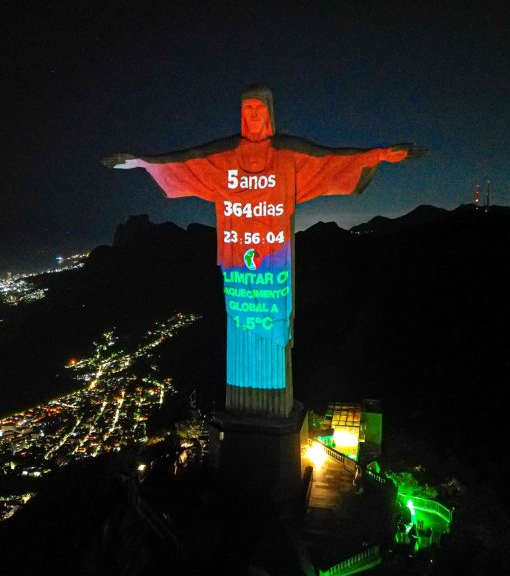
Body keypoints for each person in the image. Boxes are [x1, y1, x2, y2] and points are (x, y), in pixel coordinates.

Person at [103, 85, 425, 418]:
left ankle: (272, 405)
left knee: (274, 331)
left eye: (259, 109)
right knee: (240, 328)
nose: (253, 115)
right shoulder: (225, 155)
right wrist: (140, 162)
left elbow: (330, 159)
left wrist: (383, 154)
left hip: (274, 265)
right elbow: (187, 160)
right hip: (238, 266)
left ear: (269, 113)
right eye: (247, 109)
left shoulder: (287, 154)